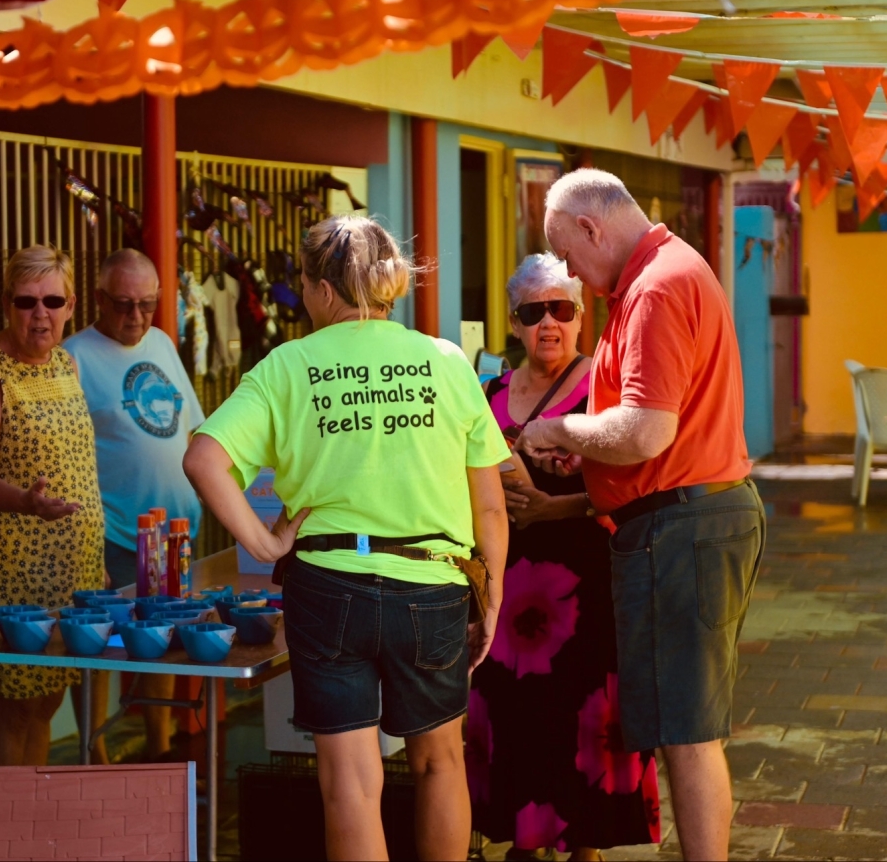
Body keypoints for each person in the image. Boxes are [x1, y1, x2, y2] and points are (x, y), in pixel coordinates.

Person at [184, 215, 508, 862]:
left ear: (323, 289)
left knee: (352, 783)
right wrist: (491, 592)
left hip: (328, 588)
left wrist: (265, 542)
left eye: (302, 282)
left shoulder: (287, 366)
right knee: (442, 762)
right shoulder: (445, 362)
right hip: (433, 581)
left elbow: (203, 459)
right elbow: (490, 507)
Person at [518, 169, 763, 861]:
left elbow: (647, 432)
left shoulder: (656, 286)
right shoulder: (662, 273)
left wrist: (566, 432)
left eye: (568, 253)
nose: (569, 272)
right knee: (692, 727)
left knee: (686, 733)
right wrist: (588, 461)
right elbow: (648, 439)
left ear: (595, 228)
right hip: (688, 521)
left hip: (681, 529)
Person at [467, 255, 659, 861]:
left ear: (579, 316)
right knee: (520, 719)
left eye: (560, 309)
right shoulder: (487, 395)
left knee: (580, 722)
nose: (547, 323)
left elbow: (635, 487)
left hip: (585, 589)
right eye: (533, 311)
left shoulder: (606, 390)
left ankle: (585, 846)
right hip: (508, 586)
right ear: (514, 321)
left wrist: (552, 508)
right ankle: (525, 841)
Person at [0, 245, 105, 767]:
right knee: (13, 704)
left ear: (70, 306)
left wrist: (95, 560)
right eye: (26, 301)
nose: (39, 313)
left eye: (51, 300)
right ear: (5, 304)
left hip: (73, 566)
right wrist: (26, 502)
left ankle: (29, 825)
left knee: (47, 700)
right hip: (16, 570)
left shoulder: (67, 363)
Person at [63, 248, 205, 761]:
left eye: (148, 304)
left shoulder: (162, 342)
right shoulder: (74, 355)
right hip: (114, 531)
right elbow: (66, 456)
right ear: (98, 298)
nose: (136, 316)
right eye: (124, 303)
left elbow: (190, 426)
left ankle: (160, 750)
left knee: (162, 642)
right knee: (100, 648)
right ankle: (93, 760)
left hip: (173, 532)